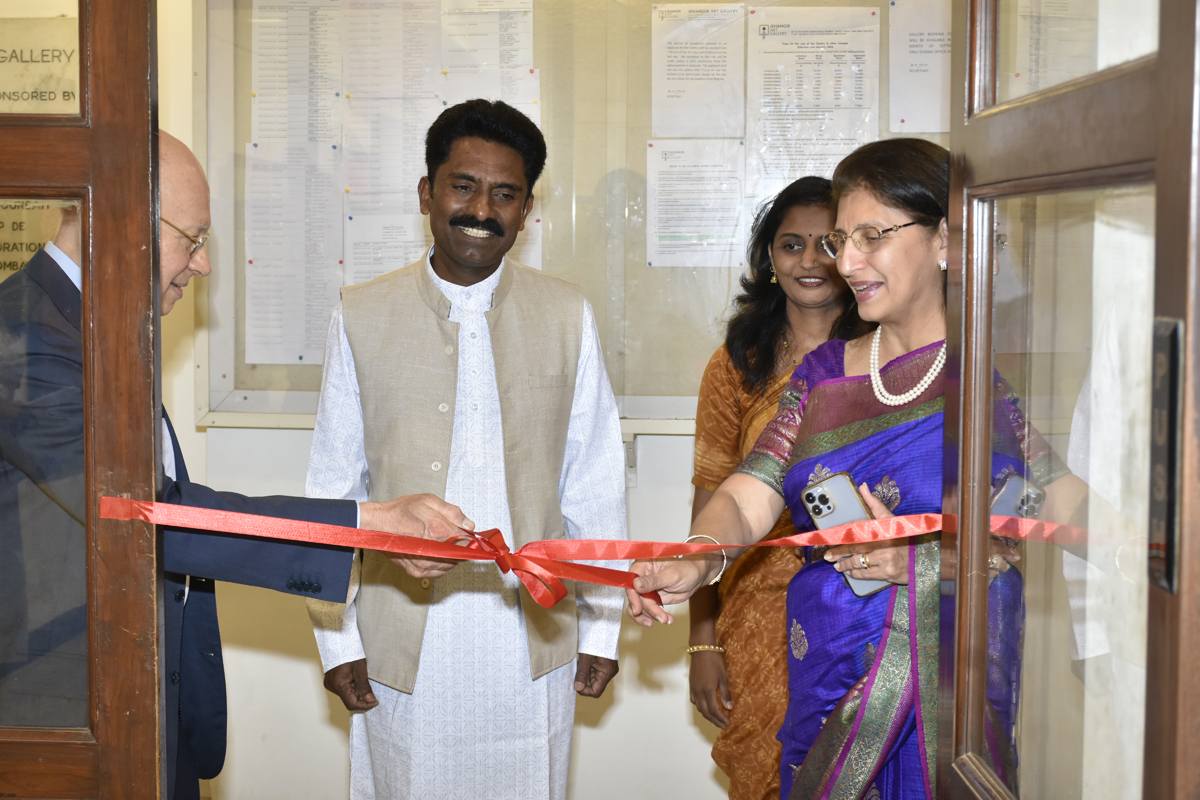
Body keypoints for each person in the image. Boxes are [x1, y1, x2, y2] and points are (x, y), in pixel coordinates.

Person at [0, 131, 471, 800]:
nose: (202, 265)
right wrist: (369, 524)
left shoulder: (89, 323)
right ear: (120, 217)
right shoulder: (26, 338)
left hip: (142, 702)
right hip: (69, 716)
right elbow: (153, 518)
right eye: (192, 239)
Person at [628, 138, 1087, 798]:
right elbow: (750, 491)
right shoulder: (821, 378)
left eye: (871, 236)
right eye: (842, 240)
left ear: (945, 240)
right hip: (828, 678)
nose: (845, 261)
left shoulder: (984, 378)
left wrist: (929, 562)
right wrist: (698, 556)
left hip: (949, 703)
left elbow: (1056, 508)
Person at [305, 99, 627, 800]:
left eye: (505, 194)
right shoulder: (358, 314)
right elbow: (333, 492)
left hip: (533, 645)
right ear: (427, 193)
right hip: (401, 645)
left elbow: (594, 485)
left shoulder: (568, 315)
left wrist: (602, 629)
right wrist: (338, 639)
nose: (482, 209)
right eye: (463, 186)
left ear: (527, 210)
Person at [687, 176, 865, 800]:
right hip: (757, 610)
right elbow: (712, 502)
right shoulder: (738, 363)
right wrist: (702, 641)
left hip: (862, 596)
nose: (810, 261)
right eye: (792, 245)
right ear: (769, 257)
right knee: (766, 771)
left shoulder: (882, 355)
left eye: (827, 245)